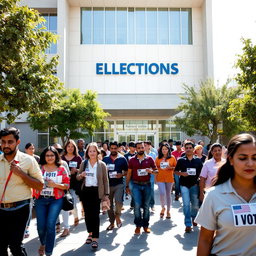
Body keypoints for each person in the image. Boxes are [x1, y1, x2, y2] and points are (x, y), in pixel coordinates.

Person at [195, 133, 256, 256]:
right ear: (230, 160)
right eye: (243, 158)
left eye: (255, 158)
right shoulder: (214, 195)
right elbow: (205, 240)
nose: (250, 163)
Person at [0, 127, 44, 256]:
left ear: (17, 142)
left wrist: (21, 174)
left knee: (15, 246)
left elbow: (40, 186)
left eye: (10, 142)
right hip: (1, 210)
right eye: (3, 142)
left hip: (20, 208)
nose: (6, 145)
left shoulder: (28, 160)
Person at [34, 146, 70, 256]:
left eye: (52, 155)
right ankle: (43, 243)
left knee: (50, 224)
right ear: (44, 157)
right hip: (40, 199)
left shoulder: (61, 168)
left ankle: (49, 252)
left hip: (56, 200)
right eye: (47, 155)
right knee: (40, 226)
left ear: (56, 156)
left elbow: (67, 185)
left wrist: (55, 185)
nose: (50, 157)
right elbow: (33, 182)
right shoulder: (39, 168)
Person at [76, 142, 109, 249]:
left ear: (97, 152)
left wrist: (106, 194)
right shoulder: (84, 163)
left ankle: (95, 238)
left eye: (94, 151)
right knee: (87, 214)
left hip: (97, 191)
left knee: (95, 214)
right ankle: (90, 233)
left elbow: (105, 180)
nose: (92, 153)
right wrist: (81, 175)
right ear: (87, 153)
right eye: (90, 151)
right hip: (86, 191)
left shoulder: (102, 165)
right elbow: (77, 177)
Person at [126, 141, 157, 235]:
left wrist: (151, 171)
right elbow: (129, 173)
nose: (140, 149)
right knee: (137, 205)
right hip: (135, 185)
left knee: (146, 206)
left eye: (142, 147)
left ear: (145, 148)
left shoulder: (150, 159)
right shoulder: (131, 160)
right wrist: (127, 186)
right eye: (138, 148)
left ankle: (146, 225)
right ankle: (138, 226)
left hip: (147, 184)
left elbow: (156, 171)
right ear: (136, 149)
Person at [174, 141, 203, 233]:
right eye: (187, 148)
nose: (188, 149)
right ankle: (187, 224)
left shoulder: (198, 160)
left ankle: (194, 217)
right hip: (184, 185)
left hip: (194, 185)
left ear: (193, 149)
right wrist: (181, 173)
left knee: (195, 205)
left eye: (190, 148)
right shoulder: (181, 160)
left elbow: (202, 174)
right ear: (184, 149)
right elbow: (175, 171)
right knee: (186, 204)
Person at [103, 141, 128, 230]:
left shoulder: (122, 159)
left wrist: (122, 175)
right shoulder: (105, 159)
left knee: (118, 202)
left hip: (119, 184)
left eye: (115, 148)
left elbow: (127, 171)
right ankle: (112, 222)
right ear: (109, 149)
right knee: (109, 205)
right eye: (112, 148)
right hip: (108, 185)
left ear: (118, 148)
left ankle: (117, 216)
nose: (113, 150)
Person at [61, 139, 82, 237]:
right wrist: (69, 173)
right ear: (65, 147)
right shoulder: (61, 158)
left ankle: (76, 216)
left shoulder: (78, 158)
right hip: (63, 184)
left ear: (75, 148)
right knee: (65, 203)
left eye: (72, 146)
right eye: (68, 146)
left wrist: (76, 170)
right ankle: (66, 226)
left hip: (74, 183)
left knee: (72, 201)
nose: (70, 148)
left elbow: (82, 170)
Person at [155, 143, 177, 219]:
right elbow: (155, 168)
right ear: (161, 150)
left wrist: (170, 167)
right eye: (163, 149)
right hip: (160, 178)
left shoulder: (172, 158)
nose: (164, 150)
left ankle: (168, 211)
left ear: (168, 150)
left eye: (166, 149)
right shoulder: (158, 158)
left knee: (168, 194)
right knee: (162, 193)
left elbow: (176, 168)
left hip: (169, 178)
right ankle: (163, 207)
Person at [144, 140, 157, 212]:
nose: (144, 147)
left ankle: (152, 205)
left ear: (149, 146)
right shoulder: (141, 154)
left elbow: (155, 166)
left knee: (151, 190)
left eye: (145, 145)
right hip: (143, 175)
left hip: (151, 175)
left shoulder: (153, 154)